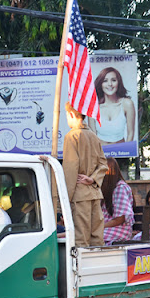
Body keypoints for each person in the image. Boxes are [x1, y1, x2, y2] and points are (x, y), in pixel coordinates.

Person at [62, 102, 108, 247]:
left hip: (78, 194)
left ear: (71, 114)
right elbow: (103, 164)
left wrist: (63, 202)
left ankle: (81, 270)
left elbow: (70, 169)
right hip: (94, 192)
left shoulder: (72, 136)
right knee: (97, 238)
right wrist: (93, 179)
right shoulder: (93, 136)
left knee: (80, 239)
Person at [88, 67, 136, 145]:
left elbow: (130, 133)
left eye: (113, 80)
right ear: (100, 84)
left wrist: (126, 153)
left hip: (121, 153)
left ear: (118, 82)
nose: (110, 84)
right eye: (105, 81)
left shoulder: (127, 104)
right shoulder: (93, 107)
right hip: (100, 154)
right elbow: (93, 136)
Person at [101, 157, 135, 245]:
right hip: (106, 227)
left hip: (119, 229)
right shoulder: (106, 189)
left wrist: (100, 227)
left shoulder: (120, 188)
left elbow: (120, 219)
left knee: (93, 238)